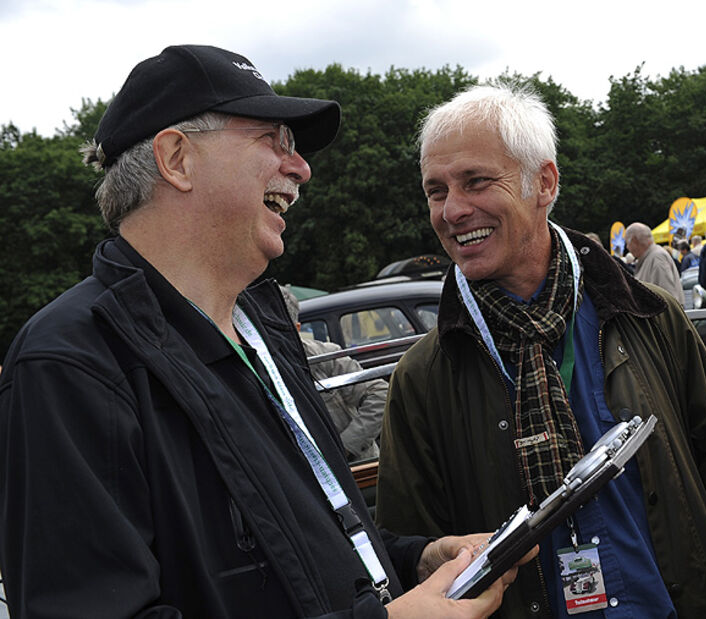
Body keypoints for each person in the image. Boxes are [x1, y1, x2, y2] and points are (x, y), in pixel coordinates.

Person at [0, 45, 527, 618]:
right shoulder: (71, 362)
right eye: (273, 141)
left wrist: (414, 562)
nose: (300, 166)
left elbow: (299, 554)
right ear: (177, 159)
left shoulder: (262, 334)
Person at [376, 84, 706, 618]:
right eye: (436, 191)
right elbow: (407, 559)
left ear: (544, 183)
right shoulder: (423, 378)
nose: (453, 210)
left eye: (477, 181)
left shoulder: (647, 317)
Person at [281, 285, 385, 462]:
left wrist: (344, 447)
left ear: (297, 328)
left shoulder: (324, 355)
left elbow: (380, 394)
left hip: (357, 468)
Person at [623, 222, 685, 304]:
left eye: (627, 243)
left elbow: (668, 297)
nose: (627, 247)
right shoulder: (651, 257)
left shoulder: (657, 258)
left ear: (635, 241)